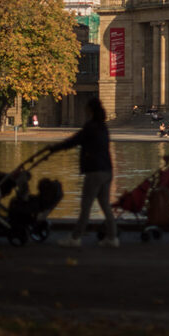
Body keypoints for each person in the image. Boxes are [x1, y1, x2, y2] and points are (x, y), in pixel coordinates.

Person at [53, 97, 118, 248]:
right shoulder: (103, 127)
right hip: (107, 170)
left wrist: (54, 148)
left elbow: (74, 141)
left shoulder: (91, 127)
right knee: (106, 206)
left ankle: (75, 238)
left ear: (90, 110)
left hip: (94, 171)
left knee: (86, 206)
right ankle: (112, 238)